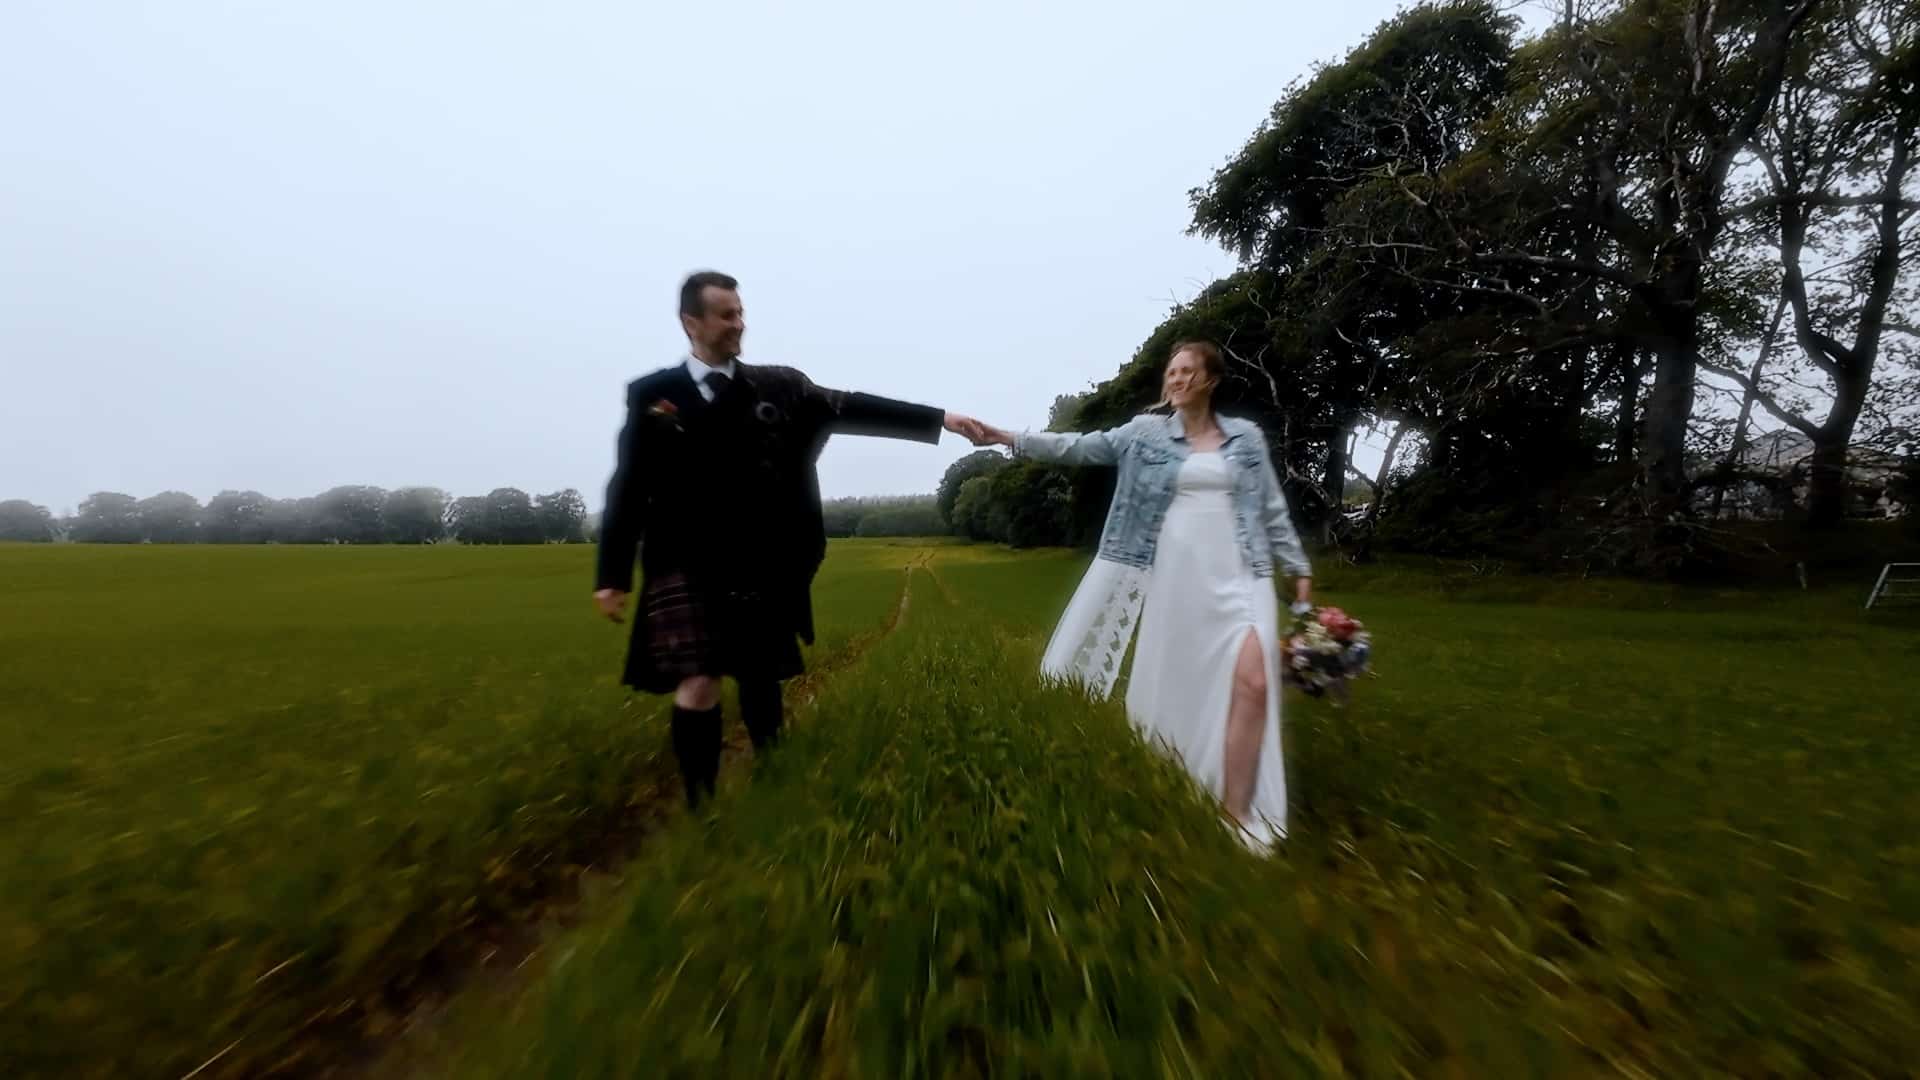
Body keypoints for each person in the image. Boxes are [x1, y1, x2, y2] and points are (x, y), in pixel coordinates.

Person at [594, 270, 985, 810]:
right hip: (683, 561)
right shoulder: (654, 396)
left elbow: (852, 405)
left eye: (741, 312)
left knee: (759, 673)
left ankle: (773, 767)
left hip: (762, 557)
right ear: (692, 322)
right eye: (726, 314)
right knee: (699, 680)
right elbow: (628, 486)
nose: (739, 323)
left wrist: (941, 417)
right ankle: (701, 806)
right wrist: (612, 576)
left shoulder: (780, 387)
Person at [971, 341, 1312, 849]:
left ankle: (1238, 813)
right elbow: (1077, 447)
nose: (1176, 380)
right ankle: (1182, 775)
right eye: (1171, 372)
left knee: (1255, 682)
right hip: (1181, 576)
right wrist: (1008, 438)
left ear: (1211, 380)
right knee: (1186, 681)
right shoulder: (1143, 434)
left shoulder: (1245, 439)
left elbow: (1269, 507)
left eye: (1187, 372)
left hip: (1245, 573)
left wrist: (1298, 567)